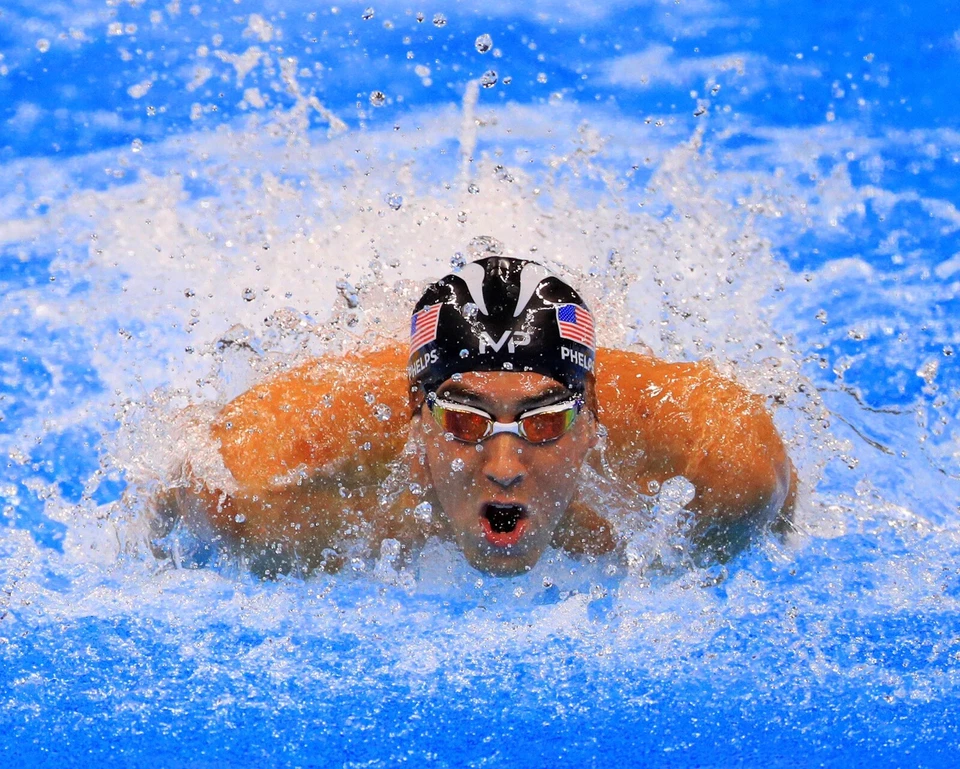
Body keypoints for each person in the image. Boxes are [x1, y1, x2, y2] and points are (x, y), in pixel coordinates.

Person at [156, 256, 795, 576]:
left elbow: (787, 520)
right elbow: (168, 500)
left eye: (544, 424)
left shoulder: (718, 469)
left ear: (595, 419)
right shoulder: (262, 488)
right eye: (465, 423)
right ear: (416, 417)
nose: (505, 468)